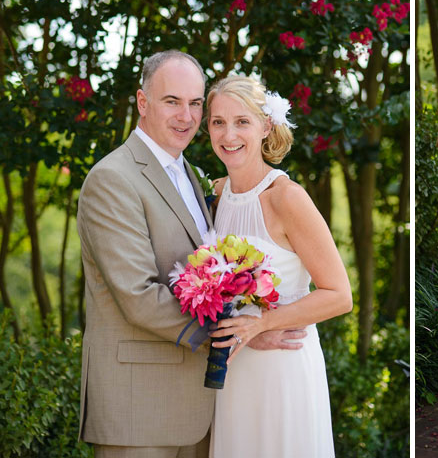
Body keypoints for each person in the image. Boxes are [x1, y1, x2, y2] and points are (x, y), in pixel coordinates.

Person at [77, 51, 305, 458]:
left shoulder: (197, 178)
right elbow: (139, 296)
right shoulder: (113, 179)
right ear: (142, 102)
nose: (186, 116)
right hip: (140, 412)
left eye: (195, 103)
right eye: (171, 101)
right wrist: (244, 334)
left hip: (204, 406)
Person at [204, 76, 352, 458]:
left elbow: (339, 295)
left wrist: (262, 324)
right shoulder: (214, 195)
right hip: (232, 370)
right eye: (218, 122)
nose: (228, 134)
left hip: (282, 367)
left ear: (266, 125)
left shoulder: (286, 198)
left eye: (242, 122)